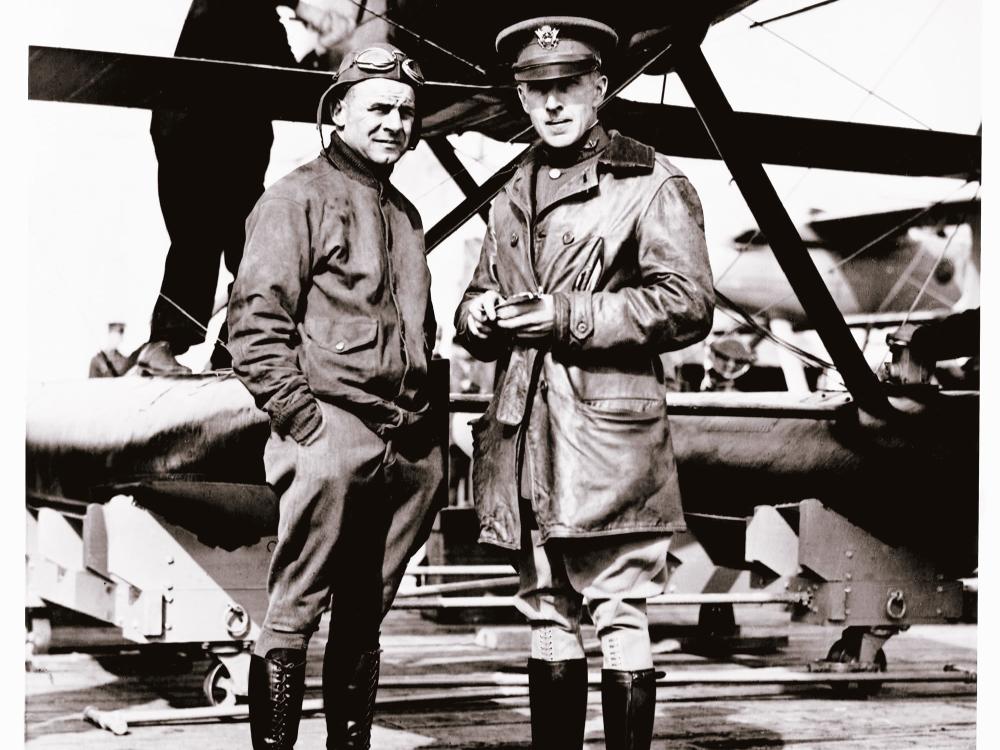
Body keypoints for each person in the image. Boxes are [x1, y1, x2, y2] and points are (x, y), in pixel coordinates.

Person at [454, 17, 714, 750]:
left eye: (568, 86)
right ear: (521, 96)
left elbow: (688, 303)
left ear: (600, 88)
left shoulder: (651, 180)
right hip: (524, 435)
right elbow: (483, 290)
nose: (553, 104)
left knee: (619, 612)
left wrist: (566, 314)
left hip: (605, 441)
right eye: (537, 91)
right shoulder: (513, 188)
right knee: (545, 611)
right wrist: (477, 314)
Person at [227, 43, 444, 750]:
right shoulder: (294, 199)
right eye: (378, 108)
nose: (394, 123)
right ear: (339, 112)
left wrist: (424, 446)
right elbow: (255, 324)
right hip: (330, 432)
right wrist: (305, 423)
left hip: (405, 443)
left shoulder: (406, 213)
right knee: (293, 611)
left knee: (365, 615)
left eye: (406, 112)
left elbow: (421, 328)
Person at [135, 0, 346, 374]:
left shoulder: (236, 14)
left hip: (201, 144)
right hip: (209, 148)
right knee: (225, 248)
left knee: (237, 250)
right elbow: (292, 84)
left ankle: (218, 348)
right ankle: (181, 345)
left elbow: (284, 80)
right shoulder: (242, 12)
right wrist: (323, 47)